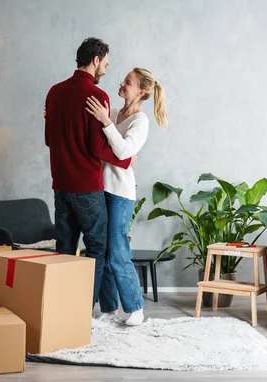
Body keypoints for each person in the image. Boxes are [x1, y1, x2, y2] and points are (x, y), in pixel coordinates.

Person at [44, 38, 134, 308]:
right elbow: (97, 146)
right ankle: (82, 310)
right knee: (97, 248)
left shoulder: (54, 92)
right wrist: (124, 159)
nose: (105, 70)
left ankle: (59, 311)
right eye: (105, 64)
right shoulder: (98, 96)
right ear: (95, 60)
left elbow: (49, 139)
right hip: (87, 187)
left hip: (60, 185)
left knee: (64, 249)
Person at [85, 68, 168, 325]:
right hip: (102, 188)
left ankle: (135, 309)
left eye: (128, 82)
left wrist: (106, 122)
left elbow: (123, 153)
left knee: (118, 251)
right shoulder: (116, 113)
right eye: (123, 80)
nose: (121, 84)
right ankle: (109, 309)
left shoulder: (139, 121)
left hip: (120, 193)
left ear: (140, 91)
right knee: (104, 250)